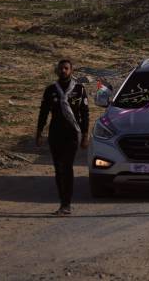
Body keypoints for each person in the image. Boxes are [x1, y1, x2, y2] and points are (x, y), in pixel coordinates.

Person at [36, 59, 89, 215]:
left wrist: (85, 135)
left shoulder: (79, 89)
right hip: (55, 133)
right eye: (61, 69)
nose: (63, 71)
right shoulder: (51, 90)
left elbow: (84, 113)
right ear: (57, 71)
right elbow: (43, 112)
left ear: (71, 70)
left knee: (67, 167)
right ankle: (62, 202)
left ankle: (67, 204)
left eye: (66, 68)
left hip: (72, 133)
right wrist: (39, 133)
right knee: (58, 169)